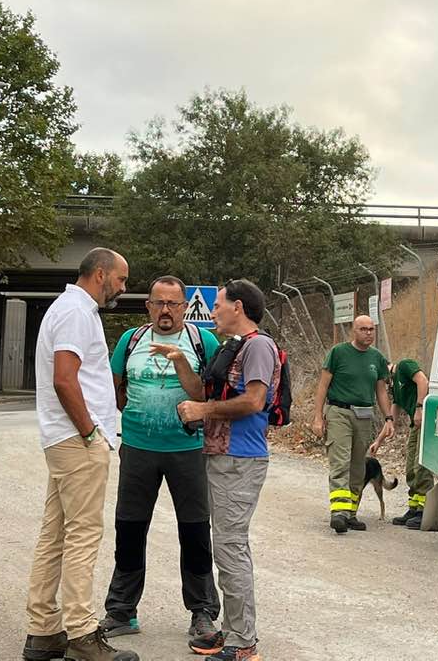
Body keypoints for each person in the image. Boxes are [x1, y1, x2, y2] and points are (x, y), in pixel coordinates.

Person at [23, 248, 140, 661]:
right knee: (82, 537)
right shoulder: (75, 310)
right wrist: (92, 432)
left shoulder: (70, 308)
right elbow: (64, 379)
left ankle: (42, 631)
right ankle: (82, 635)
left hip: (63, 440)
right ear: (101, 274)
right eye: (121, 280)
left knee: (54, 535)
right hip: (77, 441)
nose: (123, 288)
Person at [98, 276, 221, 640]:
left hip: (187, 450)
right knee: (130, 529)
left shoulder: (204, 341)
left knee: (195, 530)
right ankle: (121, 612)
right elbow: (113, 389)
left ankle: (202, 613)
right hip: (138, 448)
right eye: (158, 303)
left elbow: (208, 396)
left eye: (173, 303)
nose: (166, 310)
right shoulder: (130, 339)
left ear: (185, 307)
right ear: (148, 306)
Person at [177, 280, 279, 661]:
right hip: (225, 458)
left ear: (238, 307)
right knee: (228, 547)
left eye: (218, 304)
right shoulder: (234, 347)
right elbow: (207, 394)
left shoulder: (258, 346)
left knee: (231, 549)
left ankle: (243, 644)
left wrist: (203, 412)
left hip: (240, 460)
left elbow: (254, 401)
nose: (213, 310)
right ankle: (236, 631)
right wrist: (180, 362)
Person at [312, 315, 394, 534]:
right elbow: (322, 386)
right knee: (340, 462)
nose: (368, 333)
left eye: (371, 329)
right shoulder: (338, 353)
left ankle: (350, 513)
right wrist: (318, 416)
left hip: (365, 416)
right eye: (363, 329)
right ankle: (338, 513)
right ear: (353, 331)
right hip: (339, 412)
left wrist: (389, 418)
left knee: (359, 465)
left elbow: (381, 391)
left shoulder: (376, 358)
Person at [370, 358, 433, 529]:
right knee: (411, 468)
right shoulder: (394, 388)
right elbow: (392, 417)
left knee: (421, 466)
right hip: (416, 424)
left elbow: (423, 381)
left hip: (427, 419)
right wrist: (378, 441)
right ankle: (413, 508)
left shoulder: (405, 366)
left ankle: (424, 510)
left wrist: (419, 408)